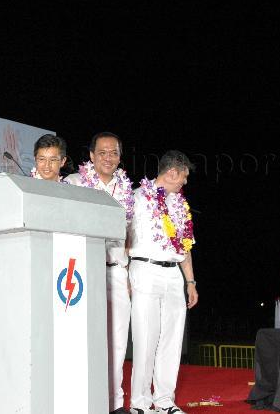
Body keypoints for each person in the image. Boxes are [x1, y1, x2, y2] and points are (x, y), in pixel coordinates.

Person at [65, 132, 134, 414]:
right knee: (80, 339)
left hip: (117, 271)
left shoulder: (126, 189)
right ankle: (81, 400)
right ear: (91, 155)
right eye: (102, 152)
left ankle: (114, 403)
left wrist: (129, 273)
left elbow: (132, 234)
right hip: (83, 272)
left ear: (119, 157)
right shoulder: (74, 183)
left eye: (114, 152)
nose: (108, 157)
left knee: (117, 341)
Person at [128, 150, 198, 414]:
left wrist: (190, 281)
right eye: (184, 176)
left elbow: (186, 246)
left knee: (172, 338)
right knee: (146, 337)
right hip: (144, 269)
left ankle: (165, 400)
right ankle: (140, 403)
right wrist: (125, 273)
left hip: (173, 275)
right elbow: (124, 238)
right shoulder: (137, 197)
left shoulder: (180, 205)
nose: (185, 182)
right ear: (171, 172)